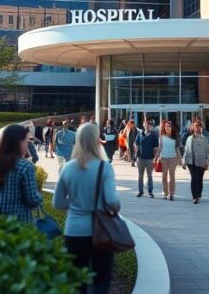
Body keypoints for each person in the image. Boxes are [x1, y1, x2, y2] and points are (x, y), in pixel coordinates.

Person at [54, 122, 121, 294]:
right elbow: (112, 201)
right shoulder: (105, 168)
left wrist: (77, 203)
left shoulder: (67, 168)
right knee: (101, 280)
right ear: (96, 140)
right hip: (101, 231)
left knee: (77, 282)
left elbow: (58, 203)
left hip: (74, 230)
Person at [0, 124, 43, 223]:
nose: (27, 144)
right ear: (19, 142)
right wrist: (40, 196)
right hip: (20, 226)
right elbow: (32, 200)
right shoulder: (26, 167)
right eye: (26, 140)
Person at [182, 119, 209, 203]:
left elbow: (208, 151)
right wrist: (184, 161)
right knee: (194, 178)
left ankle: (198, 193)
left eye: (199, 126)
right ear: (193, 127)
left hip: (201, 162)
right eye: (195, 126)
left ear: (201, 128)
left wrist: (207, 161)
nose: (197, 128)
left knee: (199, 179)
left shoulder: (205, 139)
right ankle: (194, 197)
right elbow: (186, 150)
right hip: (191, 162)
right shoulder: (189, 138)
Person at [133, 119, 158, 198]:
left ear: (152, 127)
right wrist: (136, 149)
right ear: (144, 125)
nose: (148, 126)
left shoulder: (154, 136)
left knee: (149, 176)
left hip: (149, 159)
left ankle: (150, 191)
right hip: (140, 158)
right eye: (147, 125)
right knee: (140, 176)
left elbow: (156, 148)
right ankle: (140, 191)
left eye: (150, 125)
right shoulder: (140, 134)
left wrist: (155, 158)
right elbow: (135, 144)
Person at [157, 120, 180, 200]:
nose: (168, 128)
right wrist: (156, 158)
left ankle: (171, 194)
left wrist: (179, 159)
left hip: (173, 158)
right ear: (164, 127)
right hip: (163, 158)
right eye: (166, 126)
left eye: (169, 126)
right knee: (164, 176)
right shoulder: (161, 136)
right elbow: (160, 148)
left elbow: (177, 148)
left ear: (171, 127)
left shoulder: (175, 136)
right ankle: (165, 193)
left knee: (172, 176)